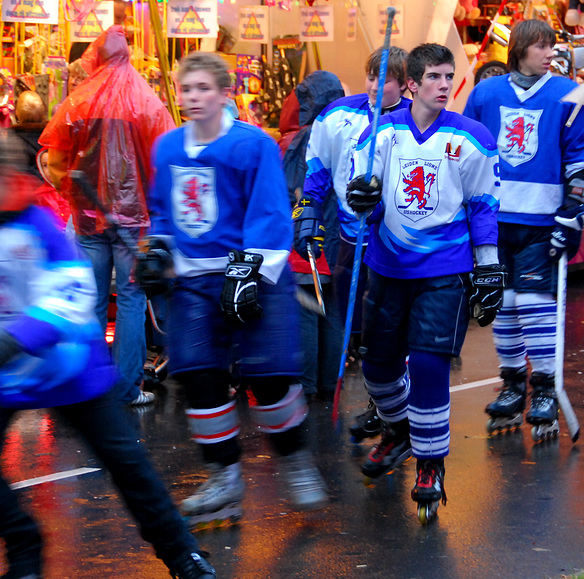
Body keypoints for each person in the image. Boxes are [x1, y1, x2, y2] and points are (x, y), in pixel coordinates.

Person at [0, 124, 215, 579]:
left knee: (125, 462)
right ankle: (23, 545)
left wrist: (17, 338)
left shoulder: (37, 225)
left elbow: (69, 291)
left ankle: (181, 552)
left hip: (65, 364)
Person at [143, 52, 327, 527]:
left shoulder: (252, 145)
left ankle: (295, 459)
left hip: (251, 274)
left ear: (225, 92)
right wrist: (156, 253)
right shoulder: (166, 149)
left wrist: (245, 274)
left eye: (204, 88)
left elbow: (267, 213)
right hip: (194, 281)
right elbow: (163, 215)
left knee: (267, 380)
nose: (193, 98)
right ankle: (223, 478)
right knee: (199, 376)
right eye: (186, 89)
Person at [347, 44, 503, 520]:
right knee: (377, 368)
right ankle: (397, 432)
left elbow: (483, 204)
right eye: (433, 76)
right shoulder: (379, 134)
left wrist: (489, 265)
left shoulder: (471, 137)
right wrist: (361, 198)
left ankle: (431, 463)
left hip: (445, 271)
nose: (443, 84)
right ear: (411, 84)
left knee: (431, 365)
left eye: (448, 76)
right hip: (388, 268)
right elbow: (360, 205)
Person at [40, 25, 176, 406]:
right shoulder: (148, 101)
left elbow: (54, 162)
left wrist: (74, 195)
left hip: (87, 218)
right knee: (131, 300)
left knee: (94, 300)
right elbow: (164, 162)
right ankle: (129, 389)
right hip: (134, 222)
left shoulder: (77, 102)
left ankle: (89, 386)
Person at [464, 19, 584, 437]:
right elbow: (467, 152)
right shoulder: (485, 93)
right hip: (493, 218)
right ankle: (513, 385)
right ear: (518, 48)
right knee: (504, 301)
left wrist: (574, 211)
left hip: (542, 218)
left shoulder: (568, 94)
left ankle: (545, 387)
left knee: (533, 300)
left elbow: (579, 157)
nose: (549, 52)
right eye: (540, 45)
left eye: (551, 45)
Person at [293, 46, 410, 441]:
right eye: (373, 76)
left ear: (405, 82)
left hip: (395, 243)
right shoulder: (337, 114)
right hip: (349, 239)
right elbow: (319, 167)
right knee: (354, 328)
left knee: (388, 329)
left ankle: (389, 407)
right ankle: (380, 405)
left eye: (388, 78)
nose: (378, 86)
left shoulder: (415, 120)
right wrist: (308, 208)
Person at [282, 70, 345, 402]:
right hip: (341, 240)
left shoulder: (306, 138)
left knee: (307, 308)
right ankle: (328, 384)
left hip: (310, 235)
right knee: (332, 311)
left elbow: (291, 188)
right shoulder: (349, 131)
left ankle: (306, 385)